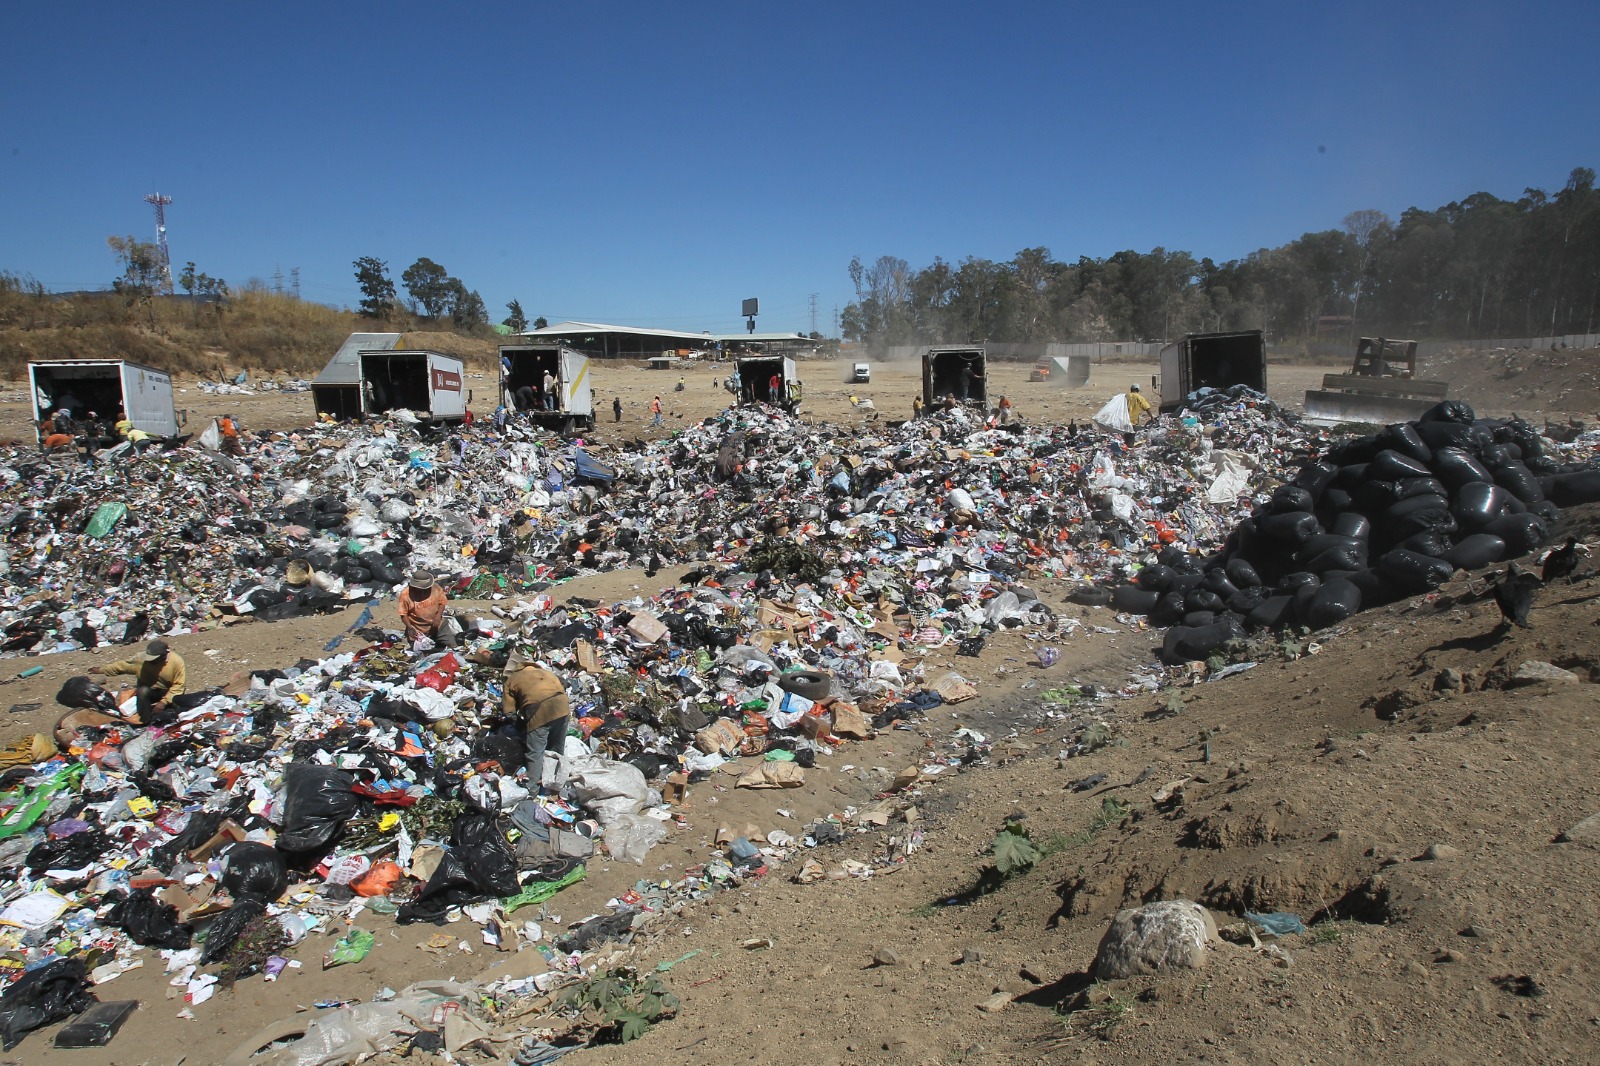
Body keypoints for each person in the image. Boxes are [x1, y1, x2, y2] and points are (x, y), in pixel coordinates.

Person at [503, 660, 571, 791]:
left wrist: (520, 725)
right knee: (557, 747)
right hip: (563, 707)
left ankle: (532, 789)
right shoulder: (545, 672)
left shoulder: (512, 680)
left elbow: (509, 711)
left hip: (541, 710)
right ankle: (557, 783)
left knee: (535, 752)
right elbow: (562, 687)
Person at [91, 639, 186, 720]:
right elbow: (123, 666)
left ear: (164, 655)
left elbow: (178, 685)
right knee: (142, 691)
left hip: (168, 691)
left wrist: (163, 702)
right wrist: (102, 670)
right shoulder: (142, 660)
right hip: (150, 690)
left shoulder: (176, 662)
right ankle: (146, 720)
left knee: (178, 705)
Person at [397, 570, 455, 647]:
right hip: (418, 629)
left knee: (452, 646)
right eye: (420, 589)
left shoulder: (436, 588)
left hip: (438, 625)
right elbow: (403, 614)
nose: (423, 591)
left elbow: (442, 602)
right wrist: (410, 628)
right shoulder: (405, 594)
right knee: (416, 652)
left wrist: (438, 616)